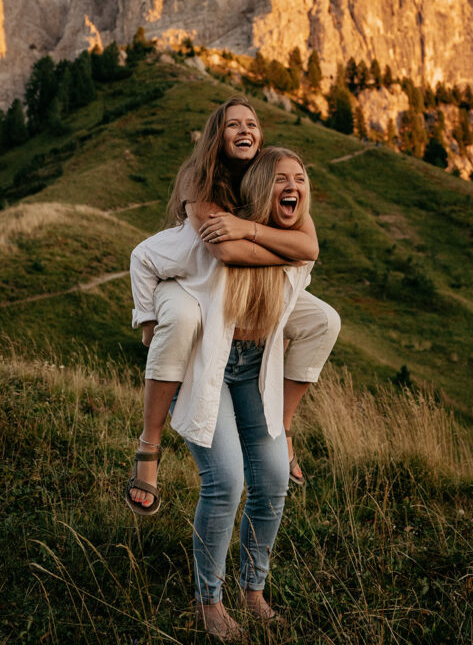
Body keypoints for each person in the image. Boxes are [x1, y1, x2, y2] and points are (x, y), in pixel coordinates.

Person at [129, 146, 317, 638]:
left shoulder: (292, 240)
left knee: (274, 480)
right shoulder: (214, 235)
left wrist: (256, 233)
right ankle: (207, 600)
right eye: (279, 180)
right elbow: (146, 256)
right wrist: (149, 319)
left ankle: (252, 591)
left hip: (256, 370)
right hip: (209, 366)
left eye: (300, 179)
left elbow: (308, 250)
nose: (292, 187)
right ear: (258, 189)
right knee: (227, 481)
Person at [126, 96, 340, 514]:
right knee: (185, 320)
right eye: (232, 125)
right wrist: (147, 317)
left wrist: (249, 228)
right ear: (215, 137)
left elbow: (309, 246)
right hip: (188, 278)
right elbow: (224, 252)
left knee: (324, 321)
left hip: (239, 289)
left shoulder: (275, 176)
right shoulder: (199, 177)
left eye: (252, 124)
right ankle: (149, 446)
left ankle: (284, 425)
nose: (244, 130)